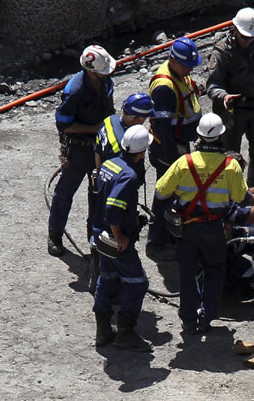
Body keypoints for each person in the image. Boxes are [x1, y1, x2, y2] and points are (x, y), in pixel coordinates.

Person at [153, 113, 250, 334]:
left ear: (198, 135)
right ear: (221, 137)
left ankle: (188, 319)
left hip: (186, 228)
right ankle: (207, 316)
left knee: (187, 272)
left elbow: (160, 192)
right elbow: (242, 199)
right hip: (214, 228)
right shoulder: (231, 166)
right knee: (214, 270)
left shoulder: (184, 162)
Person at [47, 44, 117, 257]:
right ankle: (55, 236)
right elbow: (64, 124)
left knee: (98, 194)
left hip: (101, 147)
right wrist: (93, 129)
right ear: (90, 71)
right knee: (64, 193)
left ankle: (95, 239)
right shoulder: (75, 90)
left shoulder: (105, 82)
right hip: (79, 150)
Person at [92, 125, 153, 352]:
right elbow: (112, 209)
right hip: (114, 239)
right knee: (138, 282)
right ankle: (125, 333)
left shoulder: (109, 164)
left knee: (108, 277)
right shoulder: (129, 175)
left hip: (100, 235)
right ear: (142, 152)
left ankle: (103, 331)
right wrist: (120, 236)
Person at [88, 92, 156, 293]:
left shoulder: (109, 122)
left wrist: (101, 178)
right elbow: (125, 175)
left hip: (101, 184)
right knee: (113, 235)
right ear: (137, 118)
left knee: (96, 227)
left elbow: (98, 152)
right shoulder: (123, 144)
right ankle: (110, 282)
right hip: (117, 192)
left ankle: (98, 278)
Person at [206, 7, 254, 187]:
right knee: (229, 156)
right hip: (233, 113)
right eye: (245, 37)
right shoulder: (222, 52)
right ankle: (230, 191)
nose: (248, 41)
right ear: (235, 29)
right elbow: (212, 84)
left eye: (251, 37)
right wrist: (223, 96)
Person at [146, 36, 203, 261]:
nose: (191, 69)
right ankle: (156, 243)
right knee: (164, 194)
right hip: (167, 150)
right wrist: (173, 159)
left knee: (174, 194)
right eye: (188, 65)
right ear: (175, 61)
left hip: (178, 145)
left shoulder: (179, 74)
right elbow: (162, 128)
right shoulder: (164, 88)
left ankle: (168, 236)